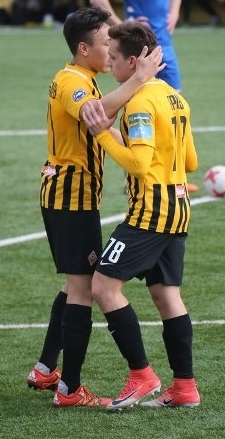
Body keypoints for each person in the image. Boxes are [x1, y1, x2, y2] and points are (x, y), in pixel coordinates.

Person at [26, 7, 163, 408]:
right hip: (71, 196)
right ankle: (70, 389)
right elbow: (96, 115)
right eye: (106, 43)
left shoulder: (81, 77)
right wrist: (139, 78)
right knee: (83, 289)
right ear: (84, 49)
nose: (111, 49)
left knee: (75, 283)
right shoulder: (73, 82)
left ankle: (46, 368)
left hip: (70, 195)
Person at [81, 21, 200, 410]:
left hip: (150, 212)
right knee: (166, 295)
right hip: (178, 207)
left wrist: (102, 135)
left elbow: (139, 164)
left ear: (133, 62)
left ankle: (141, 375)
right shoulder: (175, 98)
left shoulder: (139, 103)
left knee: (103, 288)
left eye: (114, 57)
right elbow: (190, 162)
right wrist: (120, 136)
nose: (110, 63)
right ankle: (185, 388)